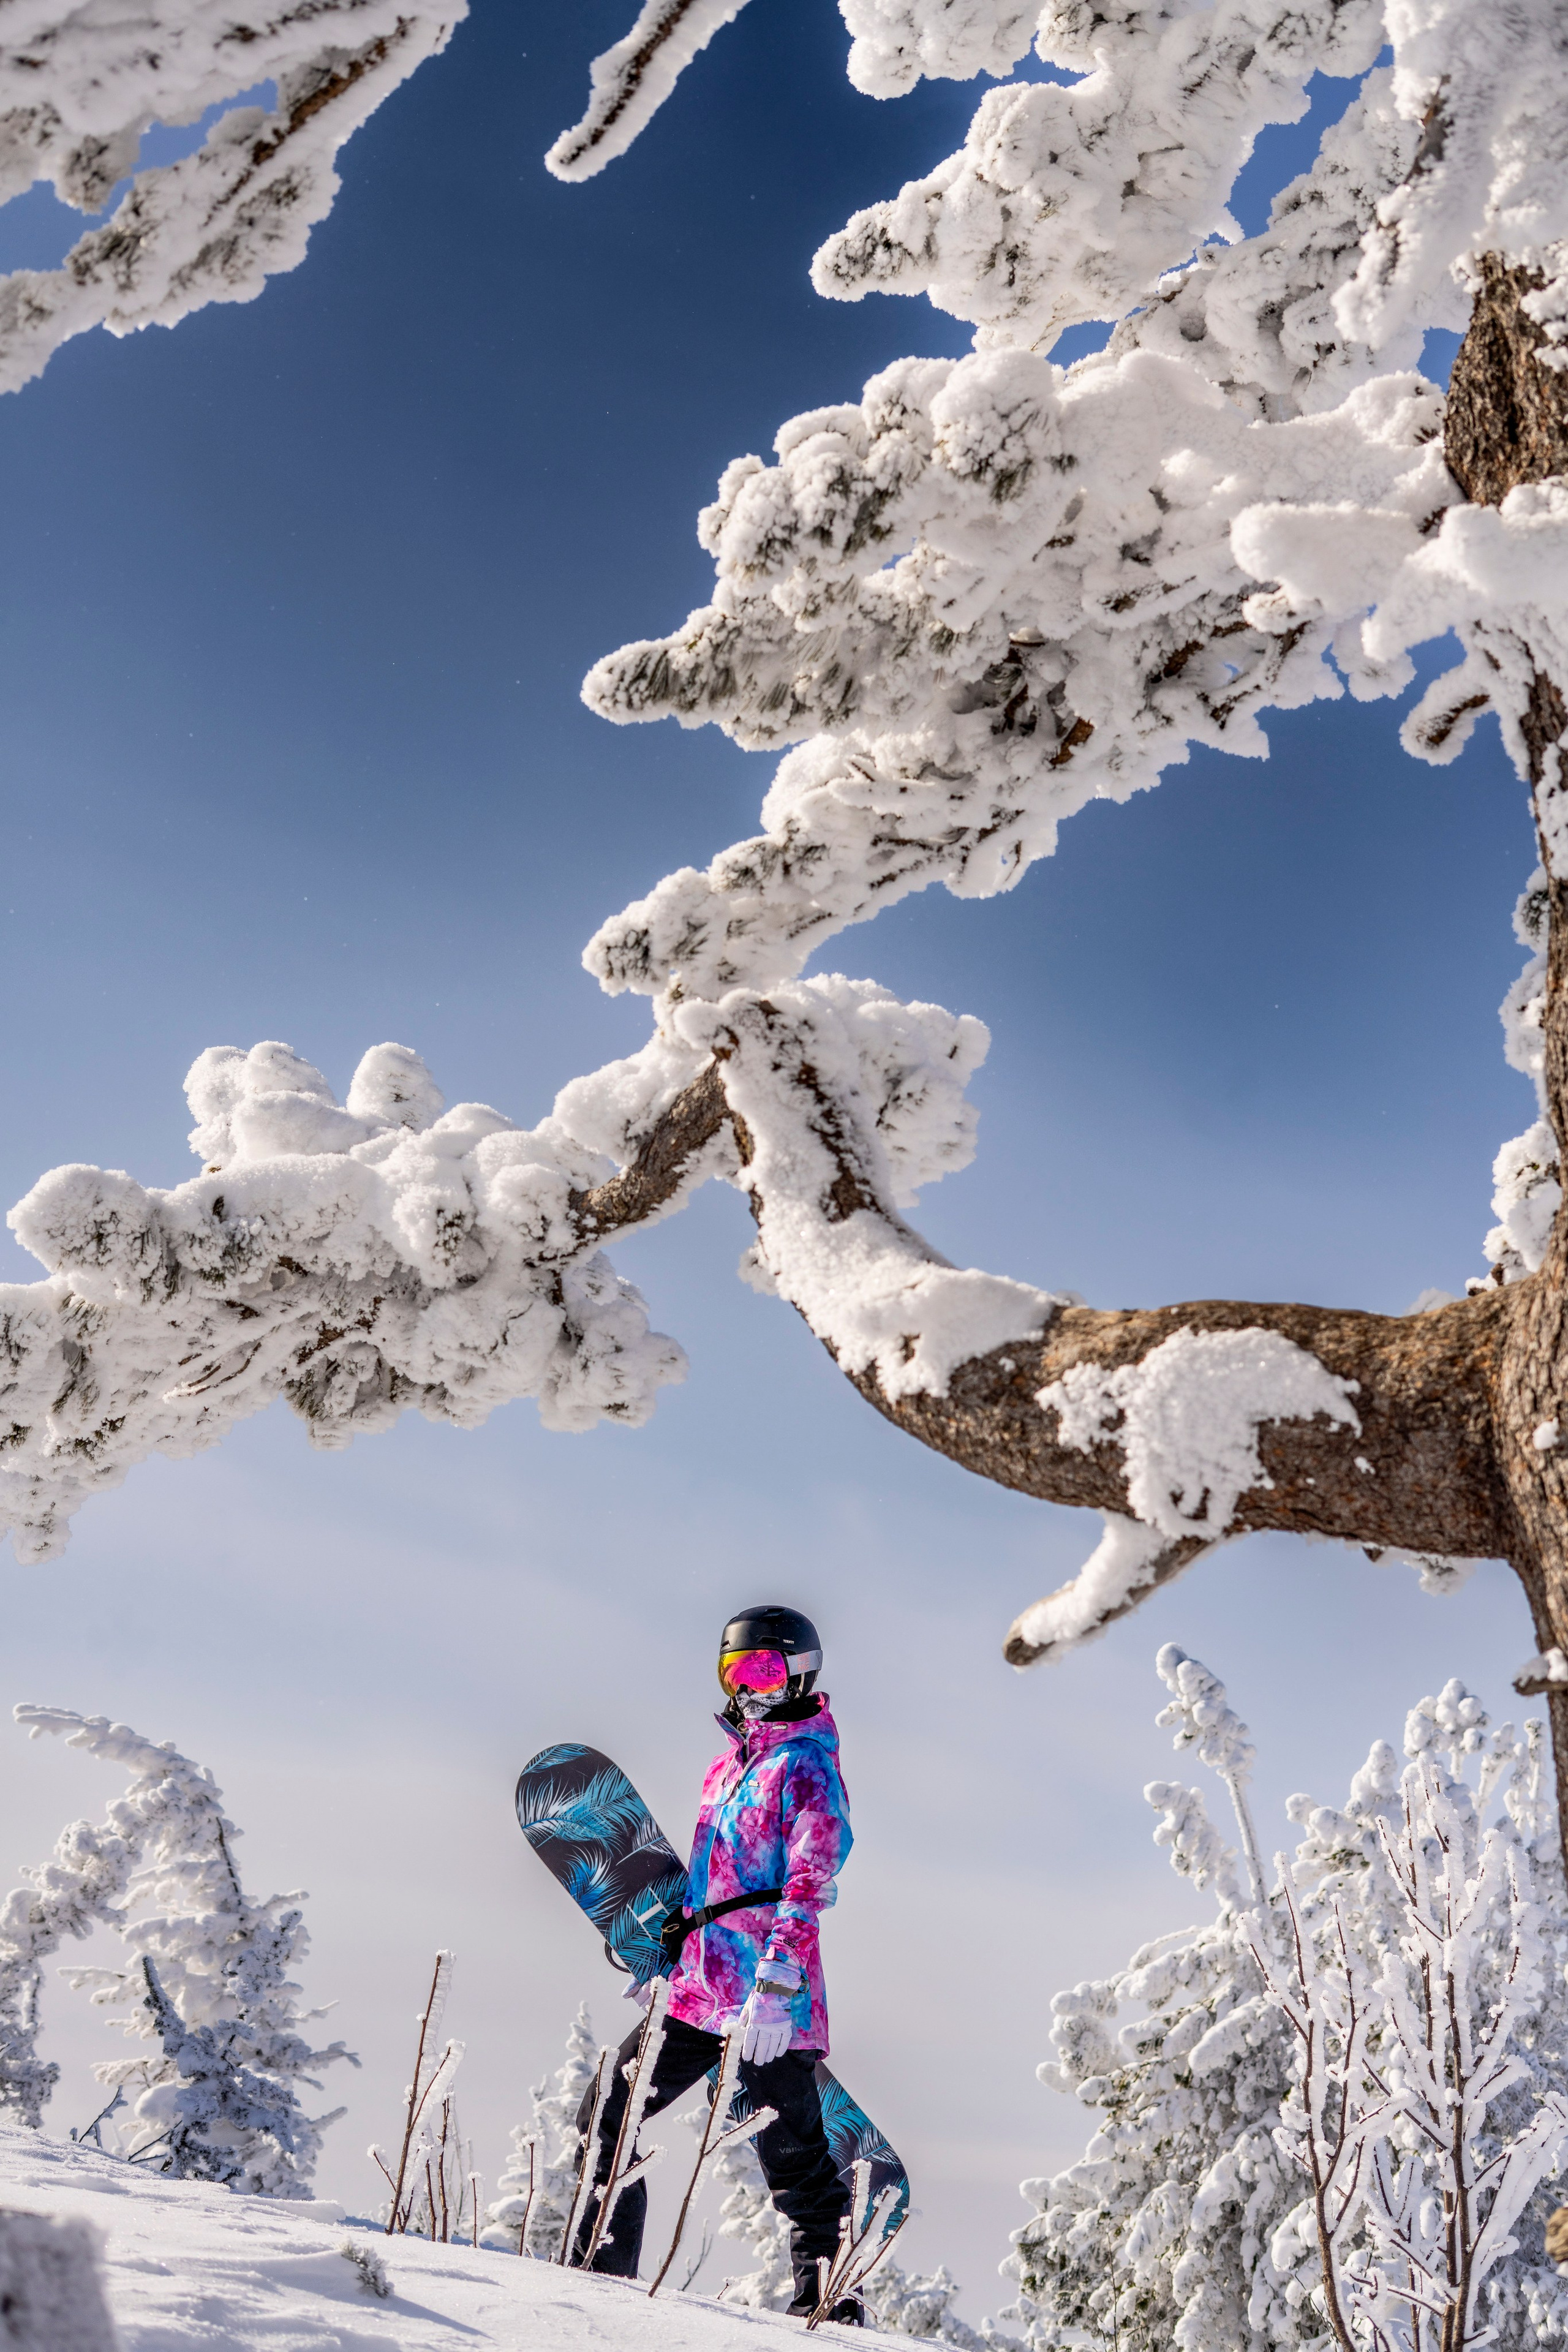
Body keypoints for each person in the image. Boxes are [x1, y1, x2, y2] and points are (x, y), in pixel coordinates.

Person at [572, 1602, 859, 2320]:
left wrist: (778, 1979)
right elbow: (709, 1886)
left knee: (791, 2156)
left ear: (798, 1673)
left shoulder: (807, 1767)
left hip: (768, 1997)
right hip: (700, 1991)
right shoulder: (726, 1769)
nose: (748, 1686)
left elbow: (809, 1880)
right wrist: (666, 1960)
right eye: (735, 1670)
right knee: (610, 2111)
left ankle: (828, 2304)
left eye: (764, 1668)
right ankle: (599, 2276)